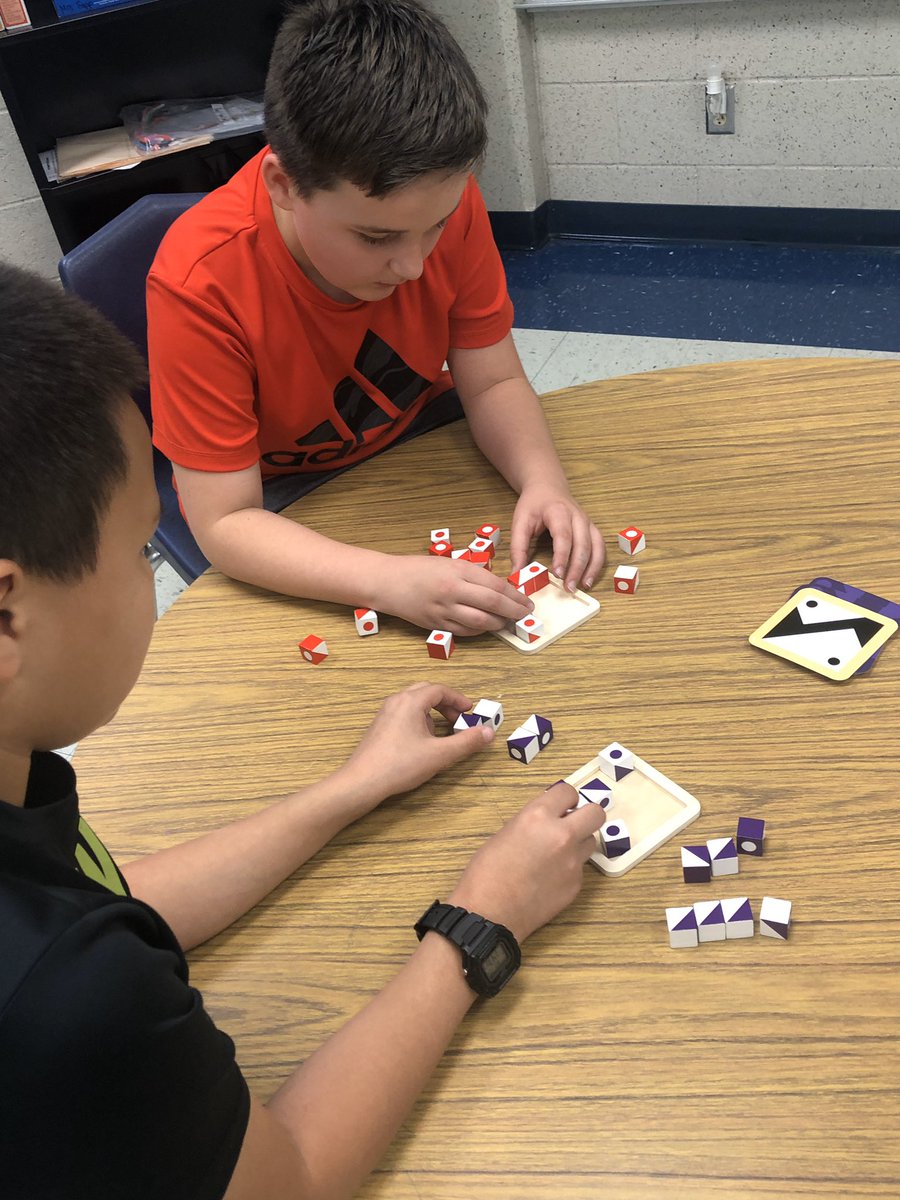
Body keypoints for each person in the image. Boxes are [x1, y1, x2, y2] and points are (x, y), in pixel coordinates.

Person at [0, 261, 606, 1198]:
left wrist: (348, 789)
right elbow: (288, 1180)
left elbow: (109, 896)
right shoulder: (66, 995)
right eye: (136, 555)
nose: (150, 582)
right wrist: (479, 922)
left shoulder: (18, 789)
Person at [147, 0, 605, 638]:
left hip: (425, 442)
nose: (413, 266)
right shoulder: (198, 282)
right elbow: (225, 524)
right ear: (282, 186)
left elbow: (494, 382)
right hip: (287, 498)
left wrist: (544, 483)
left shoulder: (443, 199)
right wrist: (386, 581)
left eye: (436, 227)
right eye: (373, 237)